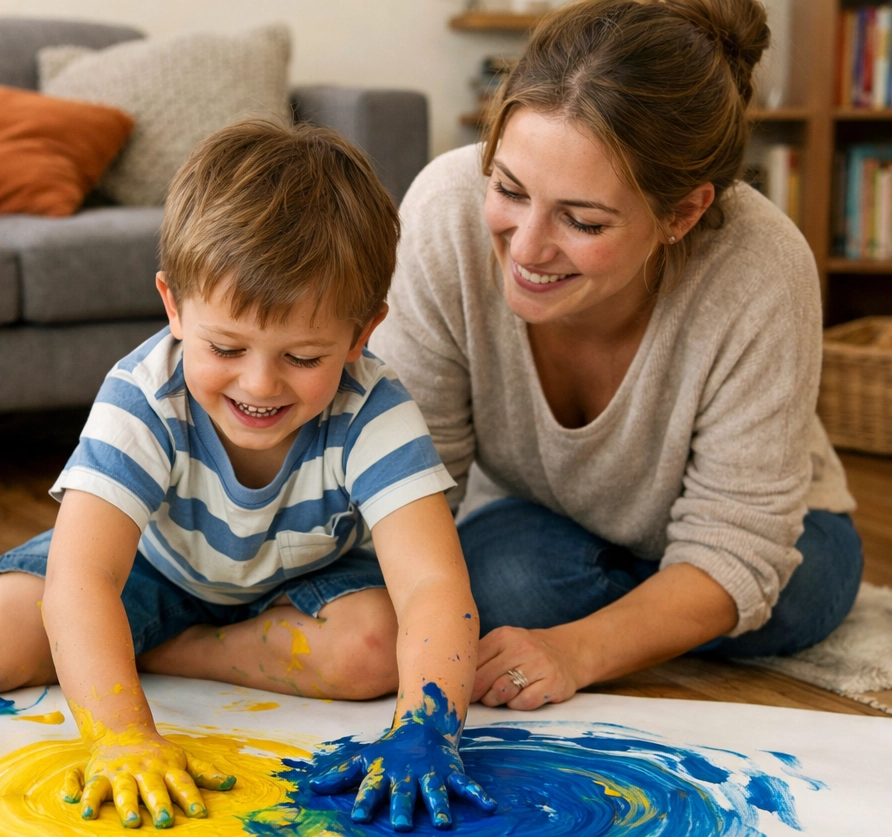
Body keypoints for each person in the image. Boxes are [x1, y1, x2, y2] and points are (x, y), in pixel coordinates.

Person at [0, 120, 495, 832]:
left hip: (292, 589)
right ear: (175, 306)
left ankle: (141, 643)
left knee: (371, 653)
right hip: (149, 571)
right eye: (227, 346)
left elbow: (431, 584)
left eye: (303, 357)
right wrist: (122, 734)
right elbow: (85, 582)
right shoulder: (144, 396)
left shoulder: (376, 407)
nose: (260, 384)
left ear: (362, 335)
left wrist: (427, 731)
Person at [369, 0, 862, 712]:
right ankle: (653, 614)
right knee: (494, 579)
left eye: (583, 220)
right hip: (549, 522)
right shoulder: (445, 211)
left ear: (682, 214)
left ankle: (635, 615)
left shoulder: (761, 265)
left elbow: (744, 544)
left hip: (780, 533)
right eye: (508, 189)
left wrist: (576, 651)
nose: (528, 248)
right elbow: (412, 481)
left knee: (799, 596)